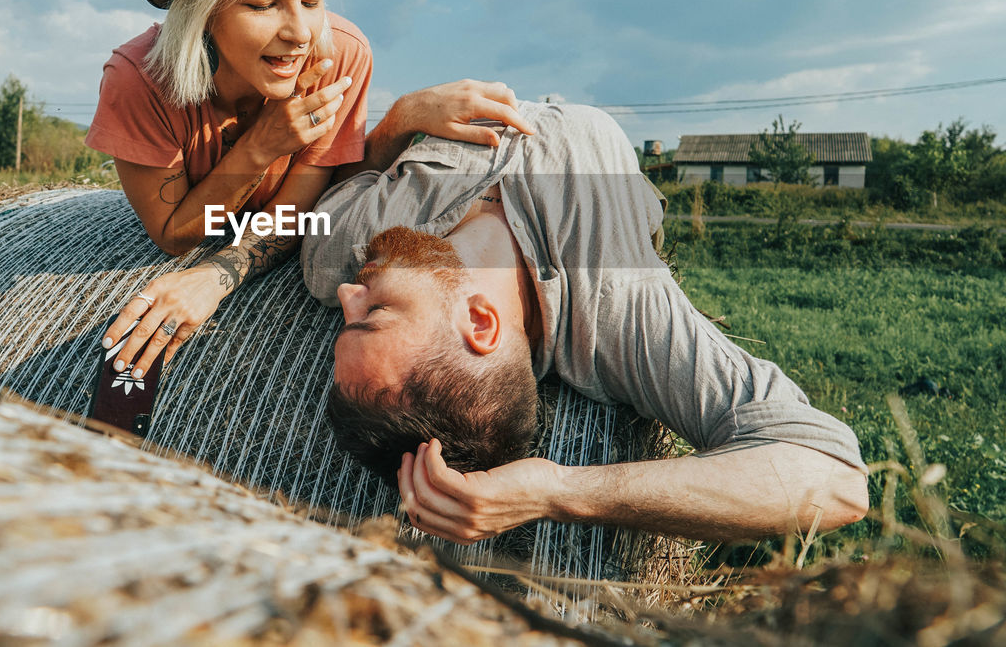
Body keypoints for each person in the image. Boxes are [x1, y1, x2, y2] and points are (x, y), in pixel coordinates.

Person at [301, 83, 870, 543]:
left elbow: (348, 177)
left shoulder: (334, 254)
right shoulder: (621, 315)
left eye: (358, 316)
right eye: (371, 314)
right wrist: (558, 491)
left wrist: (401, 119)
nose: (350, 294)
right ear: (479, 324)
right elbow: (835, 477)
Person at [85, 0, 370, 377]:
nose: (300, 32)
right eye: (264, 4)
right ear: (204, 10)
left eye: (312, 0)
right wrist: (262, 145)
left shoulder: (341, 58)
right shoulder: (137, 80)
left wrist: (217, 276)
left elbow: (303, 213)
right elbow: (175, 235)